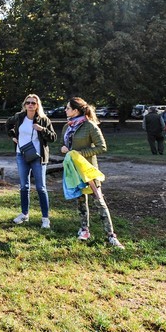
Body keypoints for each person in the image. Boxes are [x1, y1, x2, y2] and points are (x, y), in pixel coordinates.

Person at [60, 97, 124, 249]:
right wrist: (64, 151)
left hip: (88, 171)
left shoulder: (90, 126)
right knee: (80, 200)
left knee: (99, 201)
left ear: (76, 110)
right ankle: (84, 230)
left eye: (68, 108)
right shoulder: (67, 126)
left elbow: (102, 147)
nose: (65, 110)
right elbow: (65, 147)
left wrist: (79, 153)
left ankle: (111, 236)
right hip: (74, 171)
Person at [5, 94, 57, 228]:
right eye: (28, 102)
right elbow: (8, 124)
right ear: (24, 104)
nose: (30, 105)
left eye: (33, 103)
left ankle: (45, 218)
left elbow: (53, 137)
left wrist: (42, 129)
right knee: (24, 186)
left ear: (37, 105)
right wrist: (13, 136)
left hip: (38, 157)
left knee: (41, 187)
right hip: (21, 155)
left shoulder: (44, 120)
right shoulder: (19, 117)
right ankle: (24, 214)